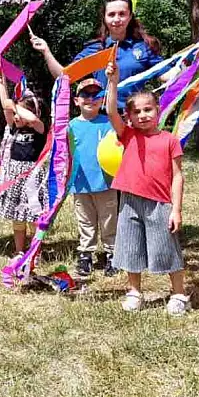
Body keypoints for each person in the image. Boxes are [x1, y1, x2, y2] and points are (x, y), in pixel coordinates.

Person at [105, 61, 188, 316]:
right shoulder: (128, 135)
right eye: (136, 112)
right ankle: (134, 292)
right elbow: (110, 111)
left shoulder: (169, 140)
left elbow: (177, 176)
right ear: (129, 117)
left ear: (158, 110)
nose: (142, 115)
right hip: (129, 202)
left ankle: (178, 294)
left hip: (160, 204)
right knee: (130, 248)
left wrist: (176, 210)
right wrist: (113, 82)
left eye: (148, 109)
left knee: (166, 248)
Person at [31, 0, 166, 110]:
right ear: (104, 18)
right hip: (102, 119)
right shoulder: (95, 49)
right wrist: (46, 51)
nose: (117, 19)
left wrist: (179, 67)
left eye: (122, 14)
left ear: (130, 16)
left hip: (133, 118)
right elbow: (65, 77)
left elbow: (166, 75)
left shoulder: (143, 47)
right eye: (111, 14)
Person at [0, 77, 49, 256]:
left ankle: (35, 250)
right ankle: (19, 251)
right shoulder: (14, 128)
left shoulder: (39, 129)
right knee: (18, 217)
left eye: (19, 113)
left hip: (32, 178)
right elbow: (5, 106)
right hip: (14, 176)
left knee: (33, 216)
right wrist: (1, 84)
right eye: (15, 113)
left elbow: (32, 118)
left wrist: (16, 106)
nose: (15, 116)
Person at [68, 78, 119, 277]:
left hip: (106, 183)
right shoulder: (71, 126)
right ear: (76, 101)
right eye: (85, 95)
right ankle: (86, 254)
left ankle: (112, 253)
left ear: (102, 99)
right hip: (80, 184)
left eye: (95, 95)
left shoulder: (109, 123)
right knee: (85, 221)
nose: (90, 99)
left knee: (109, 220)